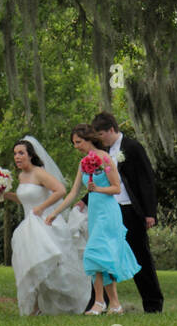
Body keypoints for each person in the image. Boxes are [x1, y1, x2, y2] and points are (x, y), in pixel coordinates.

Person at [48, 125, 139, 314]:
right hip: (95, 215)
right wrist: (55, 212)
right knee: (100, 258)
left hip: (108, 213)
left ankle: (100, 302)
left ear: (89, 139)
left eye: (78, 142)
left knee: (93, 253)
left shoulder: (105, 159)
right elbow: (73, 192)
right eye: (74, 143)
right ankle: (113, 304)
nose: (76, 146)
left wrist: (97, 189)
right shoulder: (83, 163)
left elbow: (116, 188)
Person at [0, 137, 88, 315]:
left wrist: (42, 208)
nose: (17, 157)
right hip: (28, 227)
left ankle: (70, 301)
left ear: (30, 155)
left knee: (51, 267)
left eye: (21, 153)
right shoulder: (21, 176)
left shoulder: (39, 172)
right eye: (15, 154)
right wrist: (5, 195)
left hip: (46, 223)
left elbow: (60, 190)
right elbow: (24, 200)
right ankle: (36, 307)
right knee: (31, 265)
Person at [92, 111, 164, 313]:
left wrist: (150, 212)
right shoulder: (101, 153)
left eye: (102, 135)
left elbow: (147, 180)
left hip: (131, 210)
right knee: (103, 254)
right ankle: (100, 303)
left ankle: (153, 303)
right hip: (109, 210)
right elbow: (98, 181)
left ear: (112, 130)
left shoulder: (132, 148)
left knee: (140, 255)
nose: (100, 140)